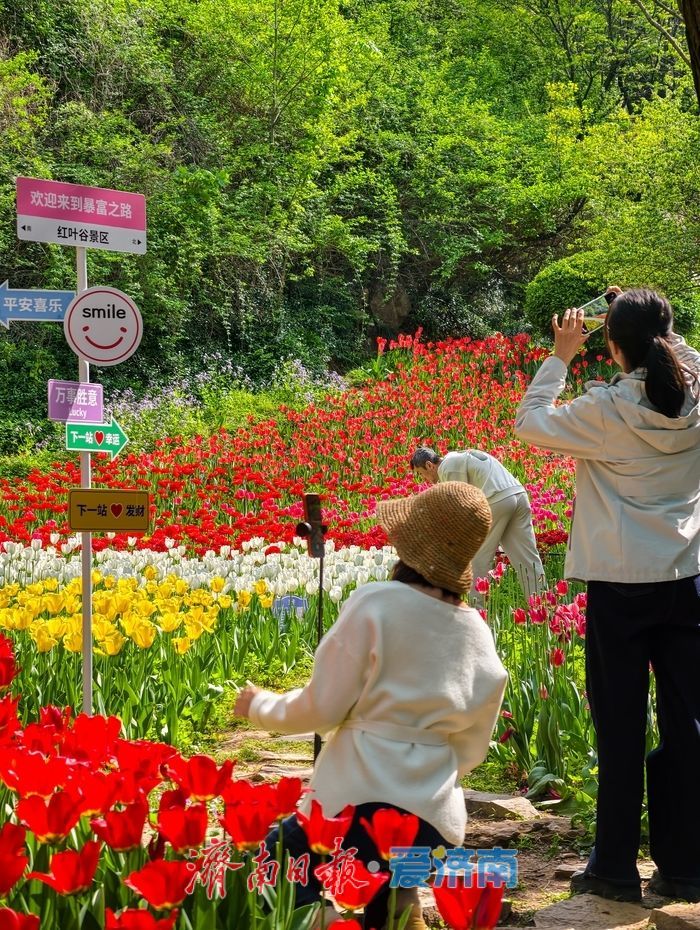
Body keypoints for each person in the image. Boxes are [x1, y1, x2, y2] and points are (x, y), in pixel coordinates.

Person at [234, 481, 508, 929]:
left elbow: (322, 710)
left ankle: (331, 922)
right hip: (435, 824)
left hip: (356, 807)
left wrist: (261, 706)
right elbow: (473, 746)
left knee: (274, 863)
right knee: (388, 875)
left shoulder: (375, 605)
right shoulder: (476, 630)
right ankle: (402, 904)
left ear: (407, 544)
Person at [515, 287, 700, 904]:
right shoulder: (695, 393)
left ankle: (615, 868)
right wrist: (645, 323)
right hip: (688, 581)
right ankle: (684, 865)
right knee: (688, 728)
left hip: (621, 585)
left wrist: (563, 354)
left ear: (613, 347)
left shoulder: (607, 410)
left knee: (618, 726)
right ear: (667, 339)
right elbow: (677, 353)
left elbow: (529, 423)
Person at [410, 446, 546, 599]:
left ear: (429, 465)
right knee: (527, 559)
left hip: (496, 499)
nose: (425, 480)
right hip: (518, 494)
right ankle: (542, 605)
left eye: (422, 474)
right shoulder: (457, 457)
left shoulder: (447, 468)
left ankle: (478, 611)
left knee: (477, 560)